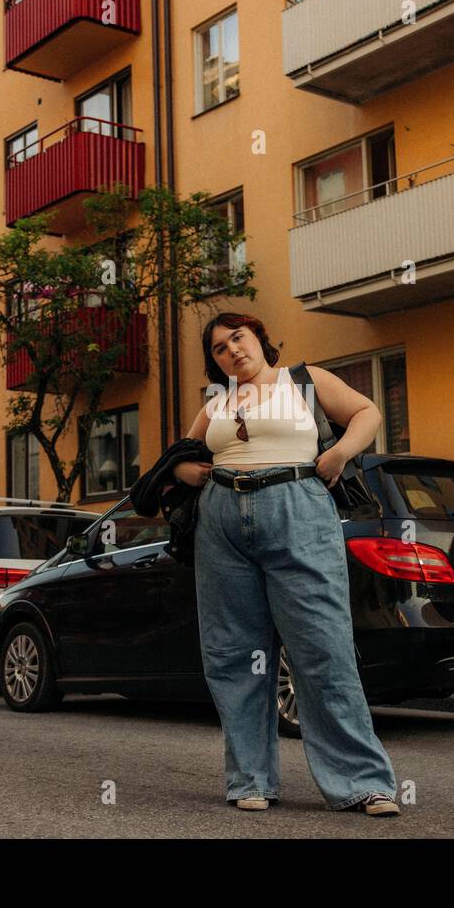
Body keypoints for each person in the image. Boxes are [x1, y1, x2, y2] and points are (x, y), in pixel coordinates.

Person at [175, 312, 400, 817]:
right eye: (218, 348)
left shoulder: (303, 379)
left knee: (323, 645)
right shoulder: (216, 402)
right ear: (214, 363)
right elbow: (184, 454)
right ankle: (249, 779)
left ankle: (362, 783)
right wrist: (186, 469)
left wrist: (340, 453)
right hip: (222, 521)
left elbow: (367, 413)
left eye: (239, 338)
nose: (232, 350)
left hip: (296, 506)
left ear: (258, 338)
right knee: (234, 653)